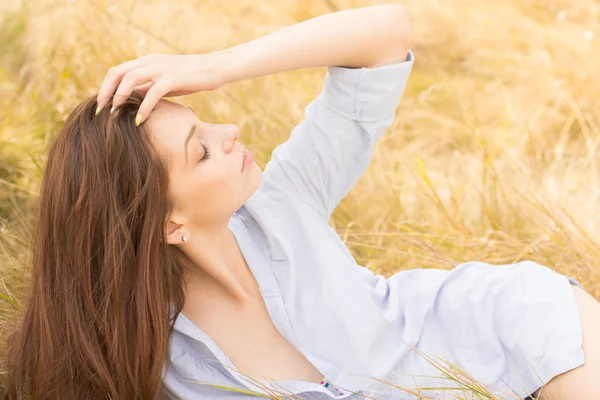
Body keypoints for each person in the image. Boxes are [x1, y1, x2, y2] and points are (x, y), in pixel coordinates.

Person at [3, 3, 599, 400]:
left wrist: (217, 67)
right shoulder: (158, 364)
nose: (228, 133)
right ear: (170, 224)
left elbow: (386, 34)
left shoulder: (285, 196)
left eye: (206, 123)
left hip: (509, 336)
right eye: (201, 152)